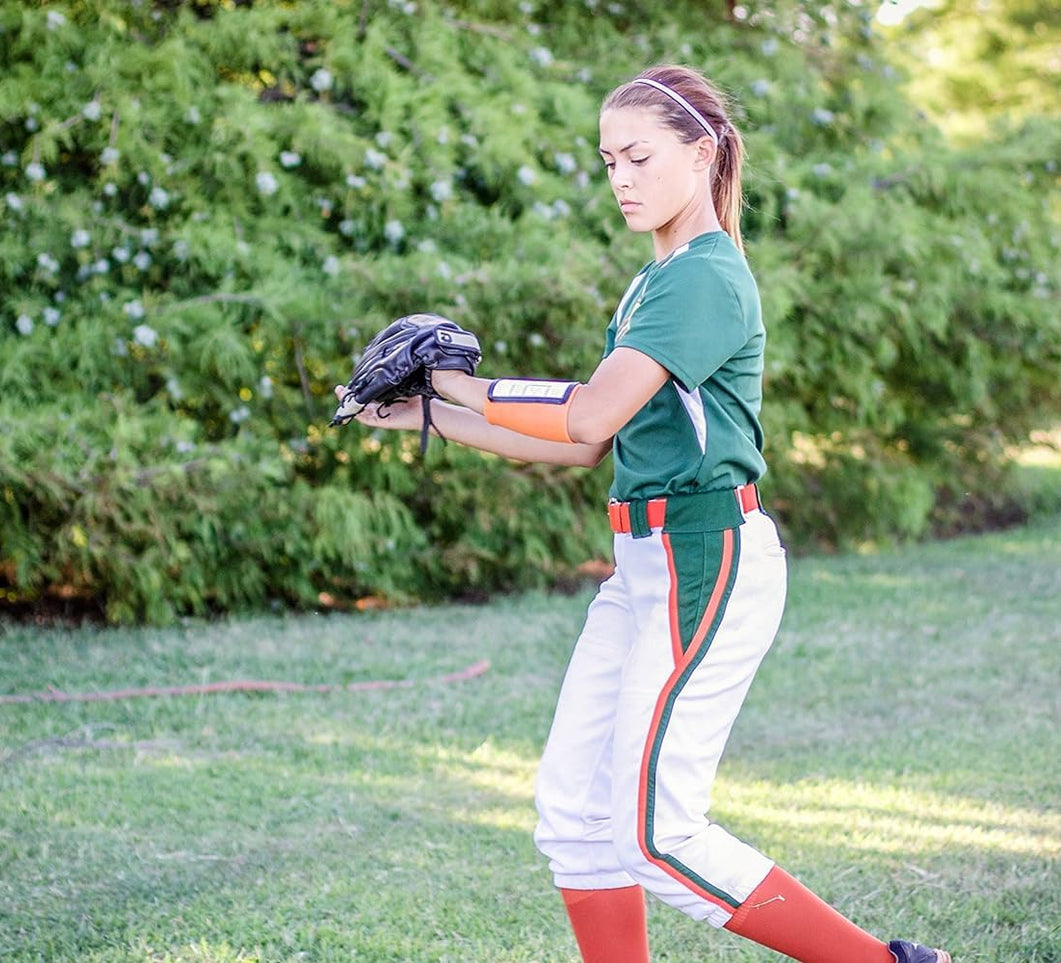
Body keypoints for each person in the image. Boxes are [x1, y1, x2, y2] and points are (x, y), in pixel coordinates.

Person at [334, 65, 951, 963]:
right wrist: (434, 414)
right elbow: (588, 446)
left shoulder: (703, 278)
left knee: (657, 835)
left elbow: (586, 411)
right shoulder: (654, 280)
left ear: (701, 155)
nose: (620, 178)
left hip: (706, 556)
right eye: (606, 160)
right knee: (575, 817)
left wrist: (459, 380)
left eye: (638, 156)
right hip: (644, 565)